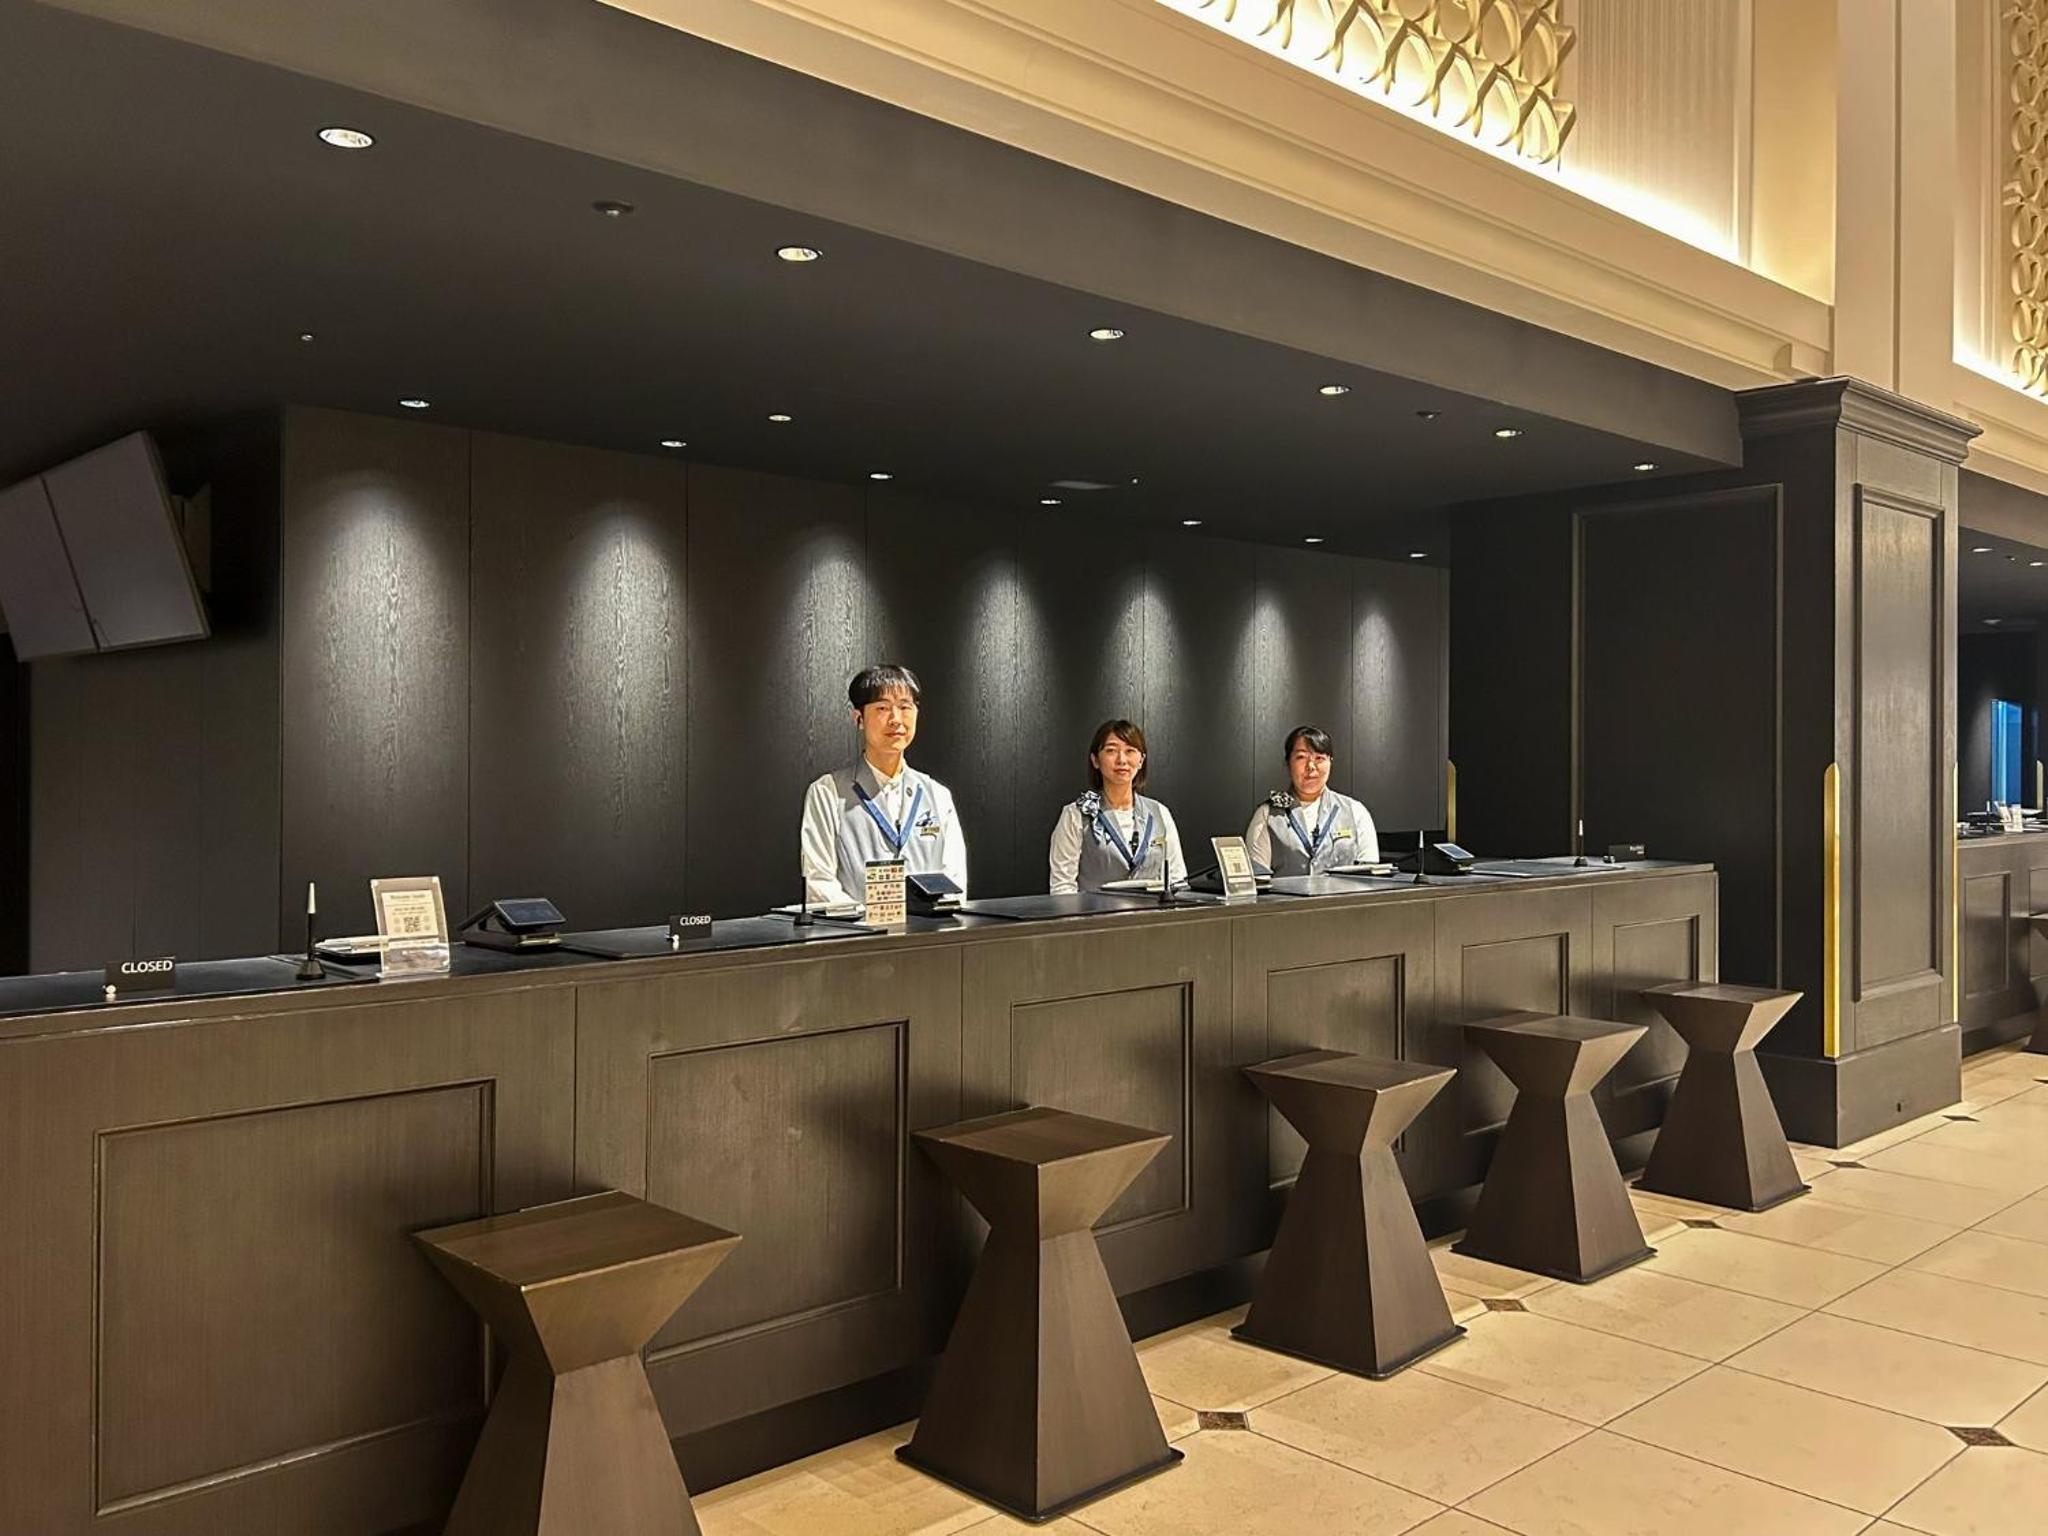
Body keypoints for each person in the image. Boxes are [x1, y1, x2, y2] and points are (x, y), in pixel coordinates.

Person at [800, 664, 967, 909]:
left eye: (905, 707)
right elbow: (819, 882)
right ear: (858, 718)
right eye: (882, 708)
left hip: (929, 931)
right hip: (857, 931)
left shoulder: (937, 795)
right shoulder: (827, 792)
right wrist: (871, 921)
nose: (896, 719)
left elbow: (954, 878)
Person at [1049, 718, 1188, 893]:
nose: (1121, 760)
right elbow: (1062, 886)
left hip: (1151, 910)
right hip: (1093, 910)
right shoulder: (1075, 814)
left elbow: (1177, 878)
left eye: (1130, 751)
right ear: (1095, 760)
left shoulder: (1160, 813)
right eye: (1111, 750)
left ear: (1141, 760)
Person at [1245, 724, 1380, 876]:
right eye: (1301, 757)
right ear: (1288, 763)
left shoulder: (1356, 811)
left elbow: (1370, 876)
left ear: (1330, 762)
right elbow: (1257, 878)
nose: (1310, 766)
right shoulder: (1267, 814)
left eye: (1319, 758)